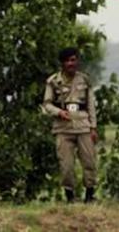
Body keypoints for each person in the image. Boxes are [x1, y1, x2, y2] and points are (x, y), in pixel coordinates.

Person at [42, 47, 98, 203]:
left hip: (83, 125)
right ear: (62, 63)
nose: (71, 64)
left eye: (73, 60)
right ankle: (70, 197)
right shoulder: (53, 81)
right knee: (66, 165)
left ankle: (90, 195)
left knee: (89, 162)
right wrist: (58, 112)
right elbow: (46, 104)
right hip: (63, 127)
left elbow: (91, 105)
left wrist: (93, 127)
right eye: (67, 61)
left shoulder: (84, 80)